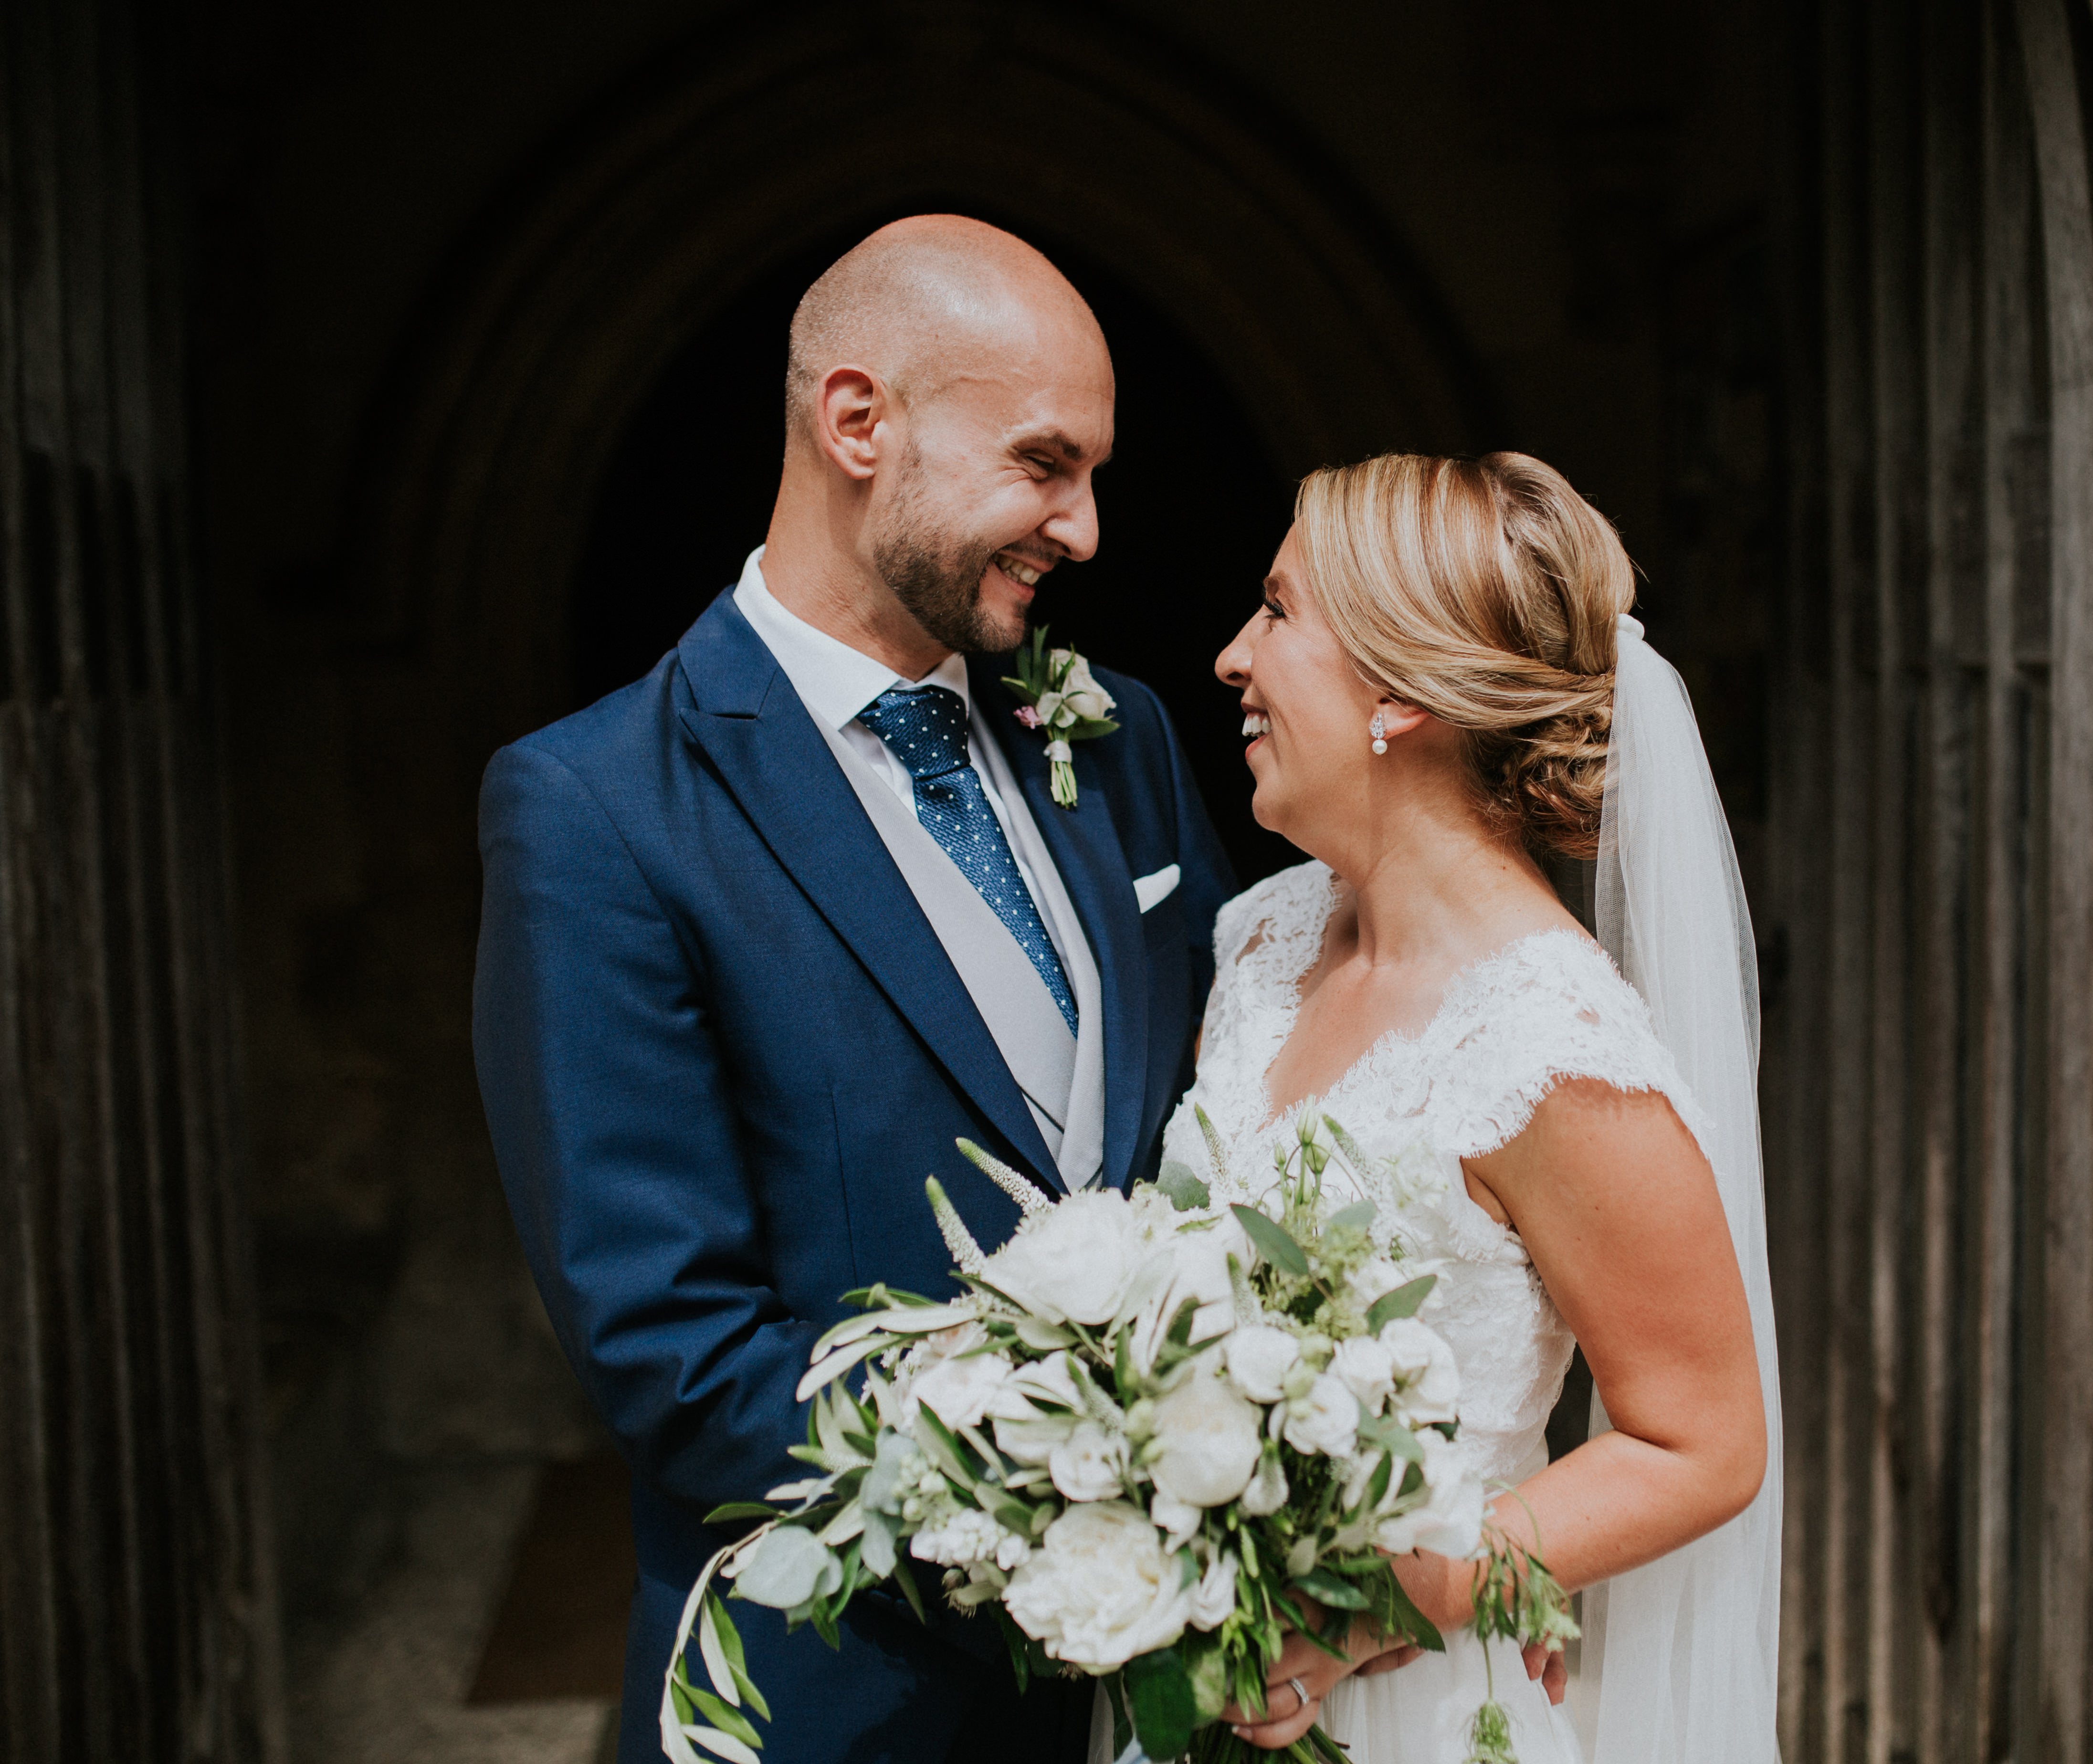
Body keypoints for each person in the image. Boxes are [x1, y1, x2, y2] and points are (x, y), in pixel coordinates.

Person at [473, 215, 1233, 1764]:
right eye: (1043, 464)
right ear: (859, 423)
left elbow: (1235, 1123)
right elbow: (670, 1357)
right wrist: (1071, 1490)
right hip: (844, 1699)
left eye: (1092, 475)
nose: (1084, 529)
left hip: (1184, 1688)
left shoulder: (1123, 738)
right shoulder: (596, 809)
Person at [1155, 451, 1784, 1763]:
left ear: (1397, 690)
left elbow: (1705, 1443)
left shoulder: (1558, 1049)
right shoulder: (1264, 937)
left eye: (1276, 612)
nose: (1231, 656)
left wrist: (1410, 1590)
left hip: (1404, 1709)